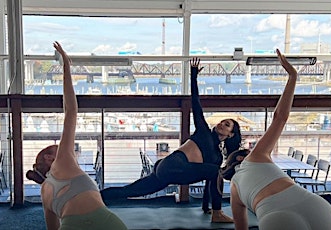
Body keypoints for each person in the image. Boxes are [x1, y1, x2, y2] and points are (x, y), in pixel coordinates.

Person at [100, 57, 243, 223]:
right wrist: (194, 76)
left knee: (130, 191)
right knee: (214, 171)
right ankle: (218, 214)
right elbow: (196, 104)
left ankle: (93, 199)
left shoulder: (217, 156)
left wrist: (207, 208)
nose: (221, 124)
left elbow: (209, 182)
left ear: (231, 134)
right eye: (222, 122)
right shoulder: (204, 132)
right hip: (173, 166)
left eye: (226, 125)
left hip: (167, 168)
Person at [228, 49, 331, 230]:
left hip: (278, 218)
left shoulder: (234, 190)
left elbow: (242, 228)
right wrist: (293, 76)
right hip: (319, 209)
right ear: (240, 157)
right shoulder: (255, 157)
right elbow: (280, 118)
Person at [26, 41, 127, 230]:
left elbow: (52, 229)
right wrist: (66, 66)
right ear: (49, 157)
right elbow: (71, 110)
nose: (61, 146)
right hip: (105, 222)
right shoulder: (63, 160)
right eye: (55, 147)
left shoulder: (44, 191)